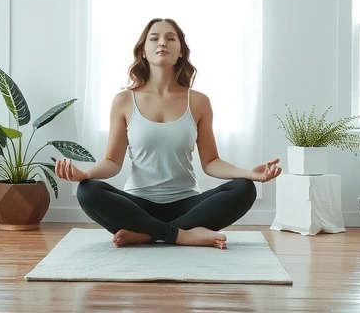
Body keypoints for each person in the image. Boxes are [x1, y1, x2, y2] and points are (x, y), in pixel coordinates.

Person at [55, 17, 281, 249]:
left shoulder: (199, 102)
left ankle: (148, 234)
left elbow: (211, 162)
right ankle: (181, 235)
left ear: (180, 51)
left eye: (170, 38)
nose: (162, 43)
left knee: (243, 189)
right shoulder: (124, 100)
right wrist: (84, 174)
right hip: (137, 204)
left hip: (187, 203)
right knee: (88, 191)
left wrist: (248, 174)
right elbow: (112, 161)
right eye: (154, 38)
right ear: (143, 51)